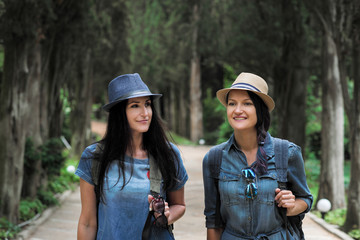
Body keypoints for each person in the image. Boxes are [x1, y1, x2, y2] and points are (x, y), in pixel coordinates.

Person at [75, 73, 188, 240]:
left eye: (147, 104)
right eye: (135, 106)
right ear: (119, 112)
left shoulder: (168, 154)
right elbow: (87, 222)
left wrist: (166, 215)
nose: (145, 113)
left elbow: (179, 204)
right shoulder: (94, 157)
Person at [202, 72, 313, 239]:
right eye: (232, 103)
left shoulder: (287, 152)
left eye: (247, 103)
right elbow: (213, 221)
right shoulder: (214, 158)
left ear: (260, 109)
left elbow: (305, 199)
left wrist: (291, 206)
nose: (237, 110)